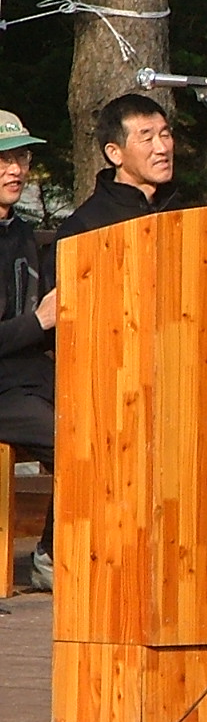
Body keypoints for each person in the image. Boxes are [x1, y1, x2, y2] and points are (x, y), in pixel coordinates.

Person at [0, 112, 56, 592]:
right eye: (3, 158)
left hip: (29, 375)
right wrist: (38, 323)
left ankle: (60, 549)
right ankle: (53, 557)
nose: (15, 169)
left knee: (113, 414)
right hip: (2, 390)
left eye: (20, 157)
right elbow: (33, 320)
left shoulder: (20, 229)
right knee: (73, 438)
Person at [54, 93, 180, 240]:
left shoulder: (184, 214)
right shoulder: (84, 229)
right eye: (147, 139)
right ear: (114, 153)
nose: (162, 148)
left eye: (165, 135)